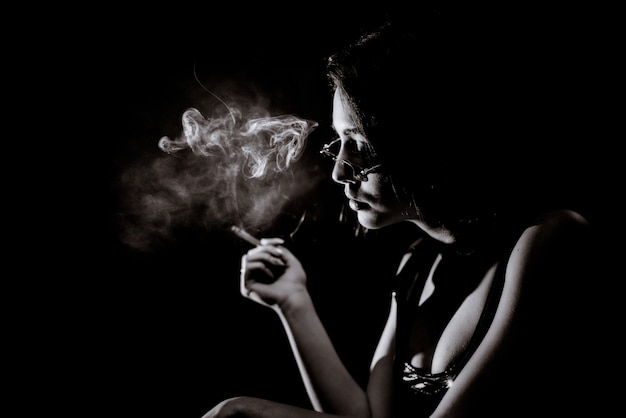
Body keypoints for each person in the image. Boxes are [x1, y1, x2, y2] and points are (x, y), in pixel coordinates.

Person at [202, 7, 600, 418]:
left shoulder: (549, 241)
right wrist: (293, 303)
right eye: (339, 142)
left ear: (424, 138)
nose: (339, 171)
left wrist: (253, 411)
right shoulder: (416, 266)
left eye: (360, 144)